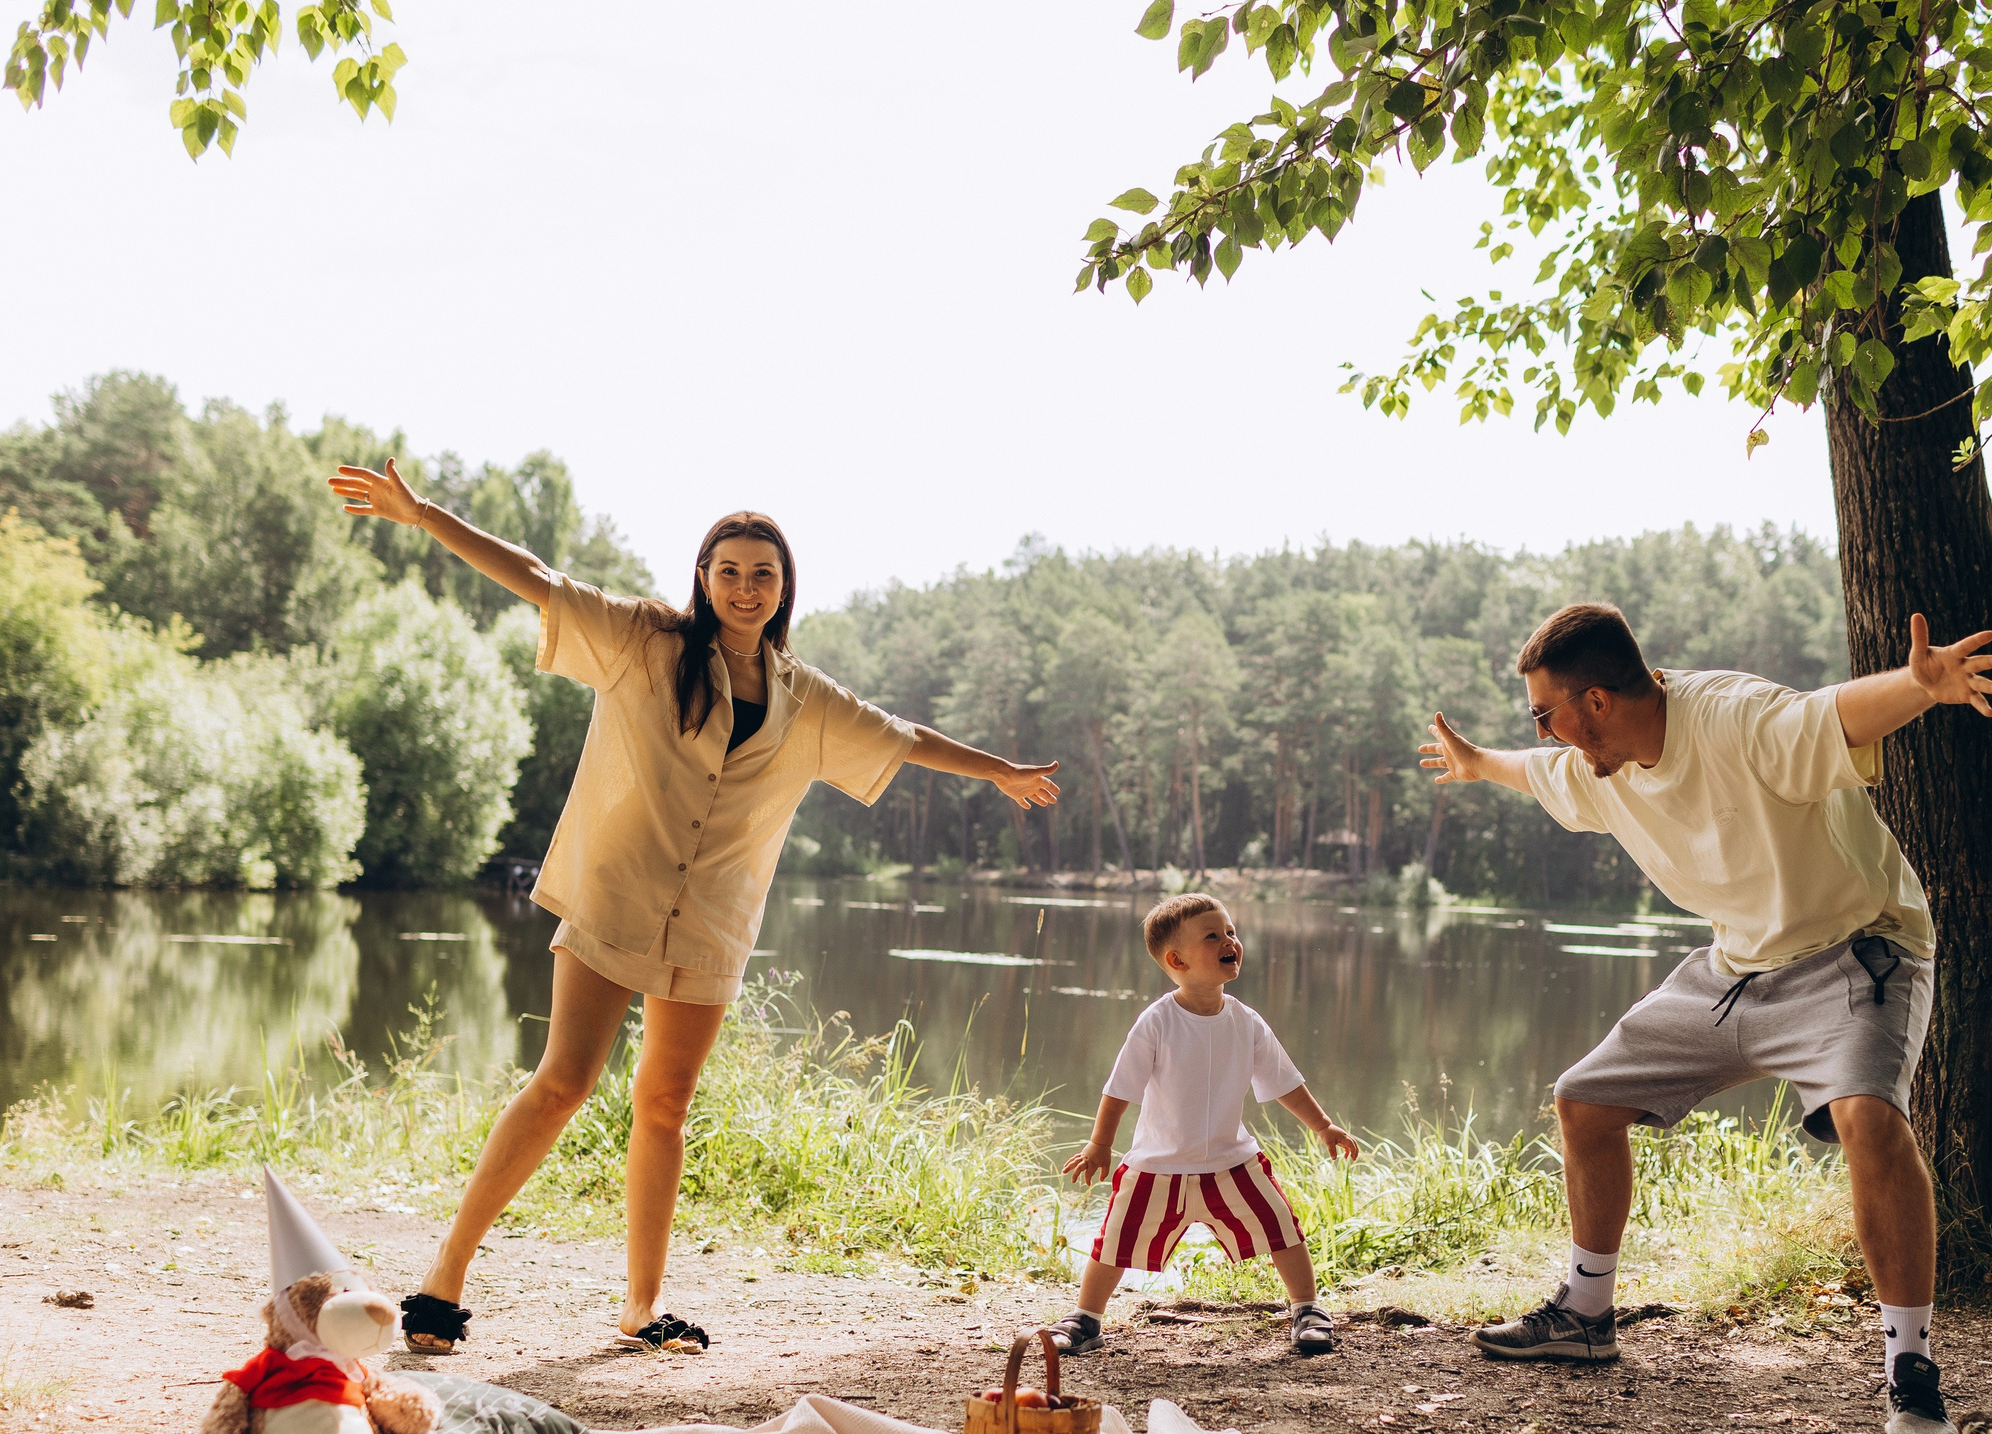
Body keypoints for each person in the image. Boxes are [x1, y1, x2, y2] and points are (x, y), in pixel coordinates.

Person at [324, 460, 1061, 1355]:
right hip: (616, 892)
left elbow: (904, 738)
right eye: (729, 570)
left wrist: (1002, 771)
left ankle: (641, 1305)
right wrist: (423, 514)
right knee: (564, 1081)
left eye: (764, 573)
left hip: (712, 919)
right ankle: (445, 1276)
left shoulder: (808, 700)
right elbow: (536, 580)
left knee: (665, 1101)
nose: (746, 588)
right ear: (704, 578)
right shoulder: (644, 641)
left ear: (784, 587)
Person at [1419, 602, 1992, 1434]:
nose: (1543, 734)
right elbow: (1536, 773)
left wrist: (1918, 688)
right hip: (1737, 968)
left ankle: (1911, 1374)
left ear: (1595, 702)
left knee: (1869, 1120)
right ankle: (1587, 1314)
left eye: (1544, 713)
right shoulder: (1602, 767)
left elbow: (1831, 714)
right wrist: (1480, 764)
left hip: (1858, 951)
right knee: (1585, 1101)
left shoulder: (1734, 717)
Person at [1048, 894, 1362, 1358]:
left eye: (1231, 932)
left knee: (1282, 1227)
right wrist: (1100, 1144)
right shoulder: (1156, 1022)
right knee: (1113, 1241)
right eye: (1212, 936)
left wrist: (1324, 1126)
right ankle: (1086, 1318)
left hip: (1230, 1162)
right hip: (1157, 1165)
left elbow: (1285, 1082)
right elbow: (1120, 1089)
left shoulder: (1245, 1021)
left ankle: (1308, 1310)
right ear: (1177, 960)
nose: (1229, 941)